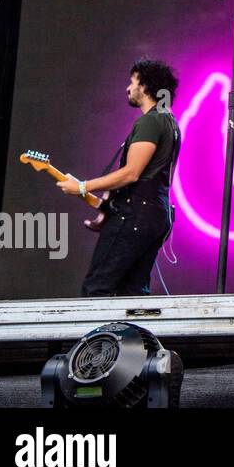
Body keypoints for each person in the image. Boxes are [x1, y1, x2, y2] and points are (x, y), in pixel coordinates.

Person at [60, 58, 181, 297]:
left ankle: (102, 337)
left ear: (145, 86)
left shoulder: (151, 121)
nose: (128, 87)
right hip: (154, 215)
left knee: (98, 288)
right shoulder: (169, 122)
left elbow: (131, 173)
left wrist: (83, 186)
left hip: (135, 215)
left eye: (132, 81)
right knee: (133, 294)